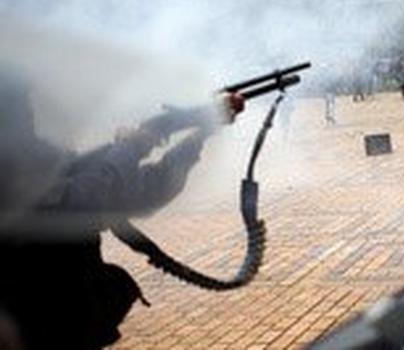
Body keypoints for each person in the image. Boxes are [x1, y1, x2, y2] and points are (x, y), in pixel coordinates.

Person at [0, 69, 246, 350]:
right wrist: (131, 148)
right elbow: (80, 202)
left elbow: (144, 192)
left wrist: (198, 137)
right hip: (32, 328)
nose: (29, 114)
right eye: (18, 106)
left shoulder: (43, 157)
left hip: (71, 325)